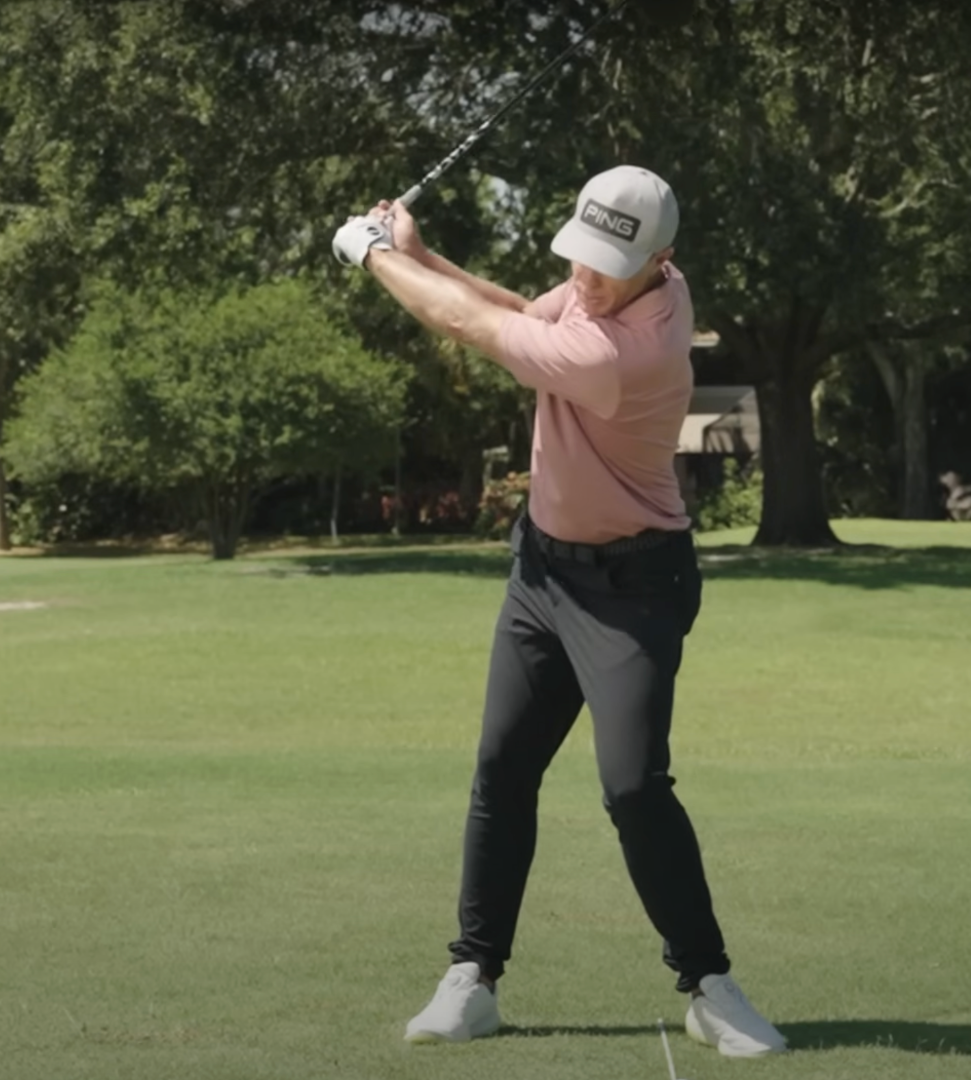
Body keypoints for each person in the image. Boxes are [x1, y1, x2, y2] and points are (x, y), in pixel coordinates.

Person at [331, 166, 787, 1058]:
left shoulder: (636, 351)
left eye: (606, 265)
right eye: (579, 254)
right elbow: (522, 315)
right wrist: (427, 253)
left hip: (634, 591)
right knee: (502, 769)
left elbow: (478, 329)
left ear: (663, 262)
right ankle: (473, 979)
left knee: (631, 787)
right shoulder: (604, 289)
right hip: (542, 573)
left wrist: (374, 256)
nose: (584, 276)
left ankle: (710, 986)